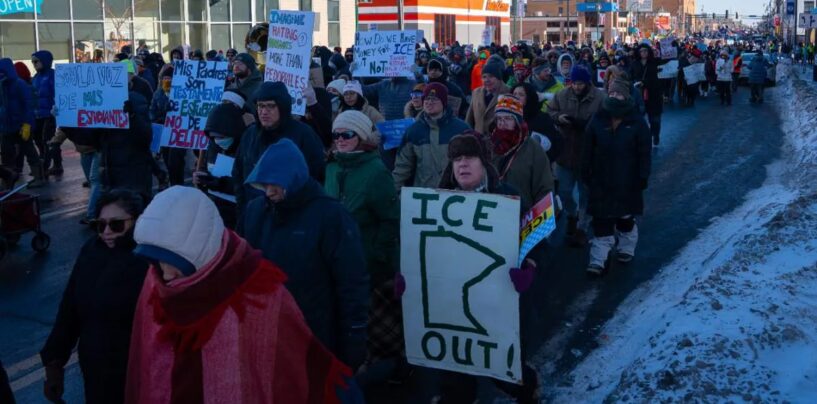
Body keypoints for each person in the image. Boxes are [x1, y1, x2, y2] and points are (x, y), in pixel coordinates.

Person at [126, 186, 360, 403]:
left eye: (174, 263)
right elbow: (146, 362)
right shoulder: (155, 283)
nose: (165, 275)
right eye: (156, 261)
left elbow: (292, 366)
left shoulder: (259, 292)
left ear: (200, 252)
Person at [239, 139, 369, 369]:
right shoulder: (255, 212)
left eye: (275, 184)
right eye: (263, 184)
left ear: (294, 178)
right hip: (266, 329)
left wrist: (353, 337)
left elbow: (351, 281)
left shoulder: (330, 216)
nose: (269, 191)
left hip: (315, 332)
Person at [40, 189, 149, 403]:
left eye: (116, 224)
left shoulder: (148, 261)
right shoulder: (91, 251)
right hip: (95, 369)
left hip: (136, 371)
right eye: (100, 225)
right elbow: (70, 308)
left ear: (136, 222)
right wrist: (54, 362)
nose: (106, 231)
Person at [324, 110, 403, 375]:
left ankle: (389, 366)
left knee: (374, 320)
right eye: (336, 135)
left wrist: (378, 256)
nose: (341, 139)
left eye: (347, 134)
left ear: (360, 136)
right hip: (337, 259)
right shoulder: (332, 167)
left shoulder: (376, 170)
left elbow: (390, 220)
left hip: (368, 260)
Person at [582, 79, 651, 275]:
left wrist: (643, 175)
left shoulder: (636, 121)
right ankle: (598, 260)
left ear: (626, 97)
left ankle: (626, 247)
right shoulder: (598, 119)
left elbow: (644, 152)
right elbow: (587, 149)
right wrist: (585, 171)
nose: (614, 97)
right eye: (611, 94)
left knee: (624, 218)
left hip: (627, 180)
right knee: (601, 221)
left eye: (618, 94)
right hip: (601, 180)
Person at [232, 81, 325, 220]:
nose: (264, 112)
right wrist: (244, 211)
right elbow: (238, 173)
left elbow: (316, 175)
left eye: (270, 106)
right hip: (254, 216)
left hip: (292, 218)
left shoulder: (303, 134)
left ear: (282, 107)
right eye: (260, 106)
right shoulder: (249, 135)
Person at [548, 65, 605, 247]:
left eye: (580, 83)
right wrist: (559, 118)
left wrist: (587, 125)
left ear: (587, 82)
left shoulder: (599, 98)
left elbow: (604, 120)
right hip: (565, 152)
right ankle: (572, 214)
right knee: (564, 191)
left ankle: (582, 226)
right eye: (574, 83)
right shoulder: (562, 95)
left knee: (585, 193)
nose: (577, 87)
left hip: (588, 154)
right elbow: (550, 110)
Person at [393, 82, 470, 190]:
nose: (429, 102)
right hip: (423, 195)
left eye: (434, 99)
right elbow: (402, 167)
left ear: (443, 102)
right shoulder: (413, 131)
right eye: (426, 99)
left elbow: (472, 163)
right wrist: (393, 193)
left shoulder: (461, 129)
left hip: (454, 194)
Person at [490, 95, 554, 213]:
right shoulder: (489, 145)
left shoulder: (533, 149)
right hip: (490, 211)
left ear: (518, 121)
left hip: (522, 214)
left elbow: (544, 187)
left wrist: (539, 216)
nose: (502, 123)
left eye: (508, 118)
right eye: (499, 119)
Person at [97, 90, 154, 197]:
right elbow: (89, 139)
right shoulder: (100, 100)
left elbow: (146, 137)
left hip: (134, 178)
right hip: (109, 178)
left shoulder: (137, 100)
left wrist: (133, 116)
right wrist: (66, 123)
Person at [0, 58, 33, 189]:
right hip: (6, 125)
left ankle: (38, 174)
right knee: (6, 152)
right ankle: (9, 175)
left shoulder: (20, 84)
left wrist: (27, 123)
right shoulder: (1, 85)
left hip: (20, 124)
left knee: (29, 150)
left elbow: (28, 105)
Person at [512, 83, 563, 163]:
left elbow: (555, 144)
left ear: (529, 97)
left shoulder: (542, 118)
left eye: (521, 94)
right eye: (514, 94)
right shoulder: (509, 117)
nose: (516, 97)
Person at [466, 55, 511, 134]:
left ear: (499, 78)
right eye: (484, 77)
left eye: (491, 76)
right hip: (478, 141)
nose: (487, 80)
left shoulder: (509, 92)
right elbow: (469, 119)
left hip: (499, 142)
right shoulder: (476, 92)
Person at [629, 44, 663, 146]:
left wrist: (646, 82)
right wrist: (635, 83)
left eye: (645, 51)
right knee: (638, 117)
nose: (644, 53)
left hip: (654, 94)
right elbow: (630, 76)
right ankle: (639, 138)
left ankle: (655, 134)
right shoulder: (634, 64)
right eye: (641, 51)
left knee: (654, 118)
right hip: (639, 94)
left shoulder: (654, 62)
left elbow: (657, 78)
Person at [31, 51, 57, 177]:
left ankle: (45, 166)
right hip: (37, 114)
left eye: (36, 61)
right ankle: (54, 164)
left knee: (48, 140)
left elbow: (57, 94)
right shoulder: (36, 77)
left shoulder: (52, 75)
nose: (34, 64)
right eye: (33, 62)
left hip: (49, 114)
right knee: (38, 140)